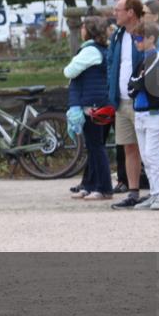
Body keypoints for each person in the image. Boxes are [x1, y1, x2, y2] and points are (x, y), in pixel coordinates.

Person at [127, 22, 159, 210]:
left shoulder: (158, 57)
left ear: (151, 39)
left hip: (154, 112)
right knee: (146, 156)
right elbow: (132, 85)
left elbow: (140, 82)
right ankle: (155, 193)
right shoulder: (142, 60)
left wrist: (137, 82)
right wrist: (137, 83)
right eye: (134, 39)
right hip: (140, 112)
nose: (136, 42)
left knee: (153, 154)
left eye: (139, 39)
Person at [65, 17, 113, 201]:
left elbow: (69, 71)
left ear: (89, 30)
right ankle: (90, 184)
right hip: (99, 102)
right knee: (93, 147)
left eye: (83, 26)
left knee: (96, 147)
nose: (81, 28)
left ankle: (104, 188)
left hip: (92, 105)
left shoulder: (90, 50)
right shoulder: (100, 48)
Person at [108, 0, 147, 209]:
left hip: (141, 100)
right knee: (129, 148)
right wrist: (110, 89)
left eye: (118, 10)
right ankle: (133, 191)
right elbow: (111, 63)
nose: (115, 13)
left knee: (149, 147)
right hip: (121, 101)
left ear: (130, 12)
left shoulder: (145, 32)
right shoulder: (117, 35)